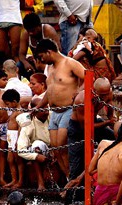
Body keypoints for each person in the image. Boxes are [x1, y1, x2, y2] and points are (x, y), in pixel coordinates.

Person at [34, 39, 85, 179]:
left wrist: (79, 92)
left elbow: (88, 77)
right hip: (54, 112)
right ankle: (70, 179)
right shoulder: (49, 68)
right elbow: (50, 91)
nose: (41, 60)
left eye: (41, 56)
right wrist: (39, 106)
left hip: (68, 110)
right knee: (55, 149)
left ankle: (74, 181)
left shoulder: (70, 63)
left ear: (49, 52)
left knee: (62, 146)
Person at [68, 77, 115, 183]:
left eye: (106, 94)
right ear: (94, 91)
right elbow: (87, 127)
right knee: (76, 166)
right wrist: (107, 122)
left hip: (95, 123)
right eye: (102, 95)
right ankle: (70, 194)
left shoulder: (107, 93)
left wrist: (111, 117)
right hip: (78, 128)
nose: (105, 97)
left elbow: (110, 106)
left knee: (116, 139)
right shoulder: (82, 100)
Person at [17, 97, 50, 190]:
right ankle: (40, 182)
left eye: (47, 109)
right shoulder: (28, 124)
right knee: (37, 146)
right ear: (34, 112)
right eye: (43, 110)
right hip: (39, 151)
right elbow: (20, 150)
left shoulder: (52, 116)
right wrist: (36, 156)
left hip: (56, 149)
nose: (46, 112)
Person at [18, 12, 61, 78]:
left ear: (39, 26)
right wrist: (26, 63)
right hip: (35, 64)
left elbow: (58, 51)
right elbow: (21, 54)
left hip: (49, 62)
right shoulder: (25, 34)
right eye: (28, 31)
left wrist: (44, 64)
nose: (30, 33)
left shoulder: (48, 30)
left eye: (33, 30)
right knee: (19, 65)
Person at [1, 89, 25, 189]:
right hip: (11, 136)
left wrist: (18, 140)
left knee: (18, 160)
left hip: (16, 136)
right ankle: (14, 179)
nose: (7, 107)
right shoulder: (14, 111)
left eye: (7, 104)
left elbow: (21, 127)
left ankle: (20, 181)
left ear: (14, 102)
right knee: (10, 159)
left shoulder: (20, 112)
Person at [0, 69, 9, 187]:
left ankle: (1, 178)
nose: (6, 82)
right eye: (4, 80)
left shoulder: (5, 93)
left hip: (5, 126)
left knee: (2, 153)